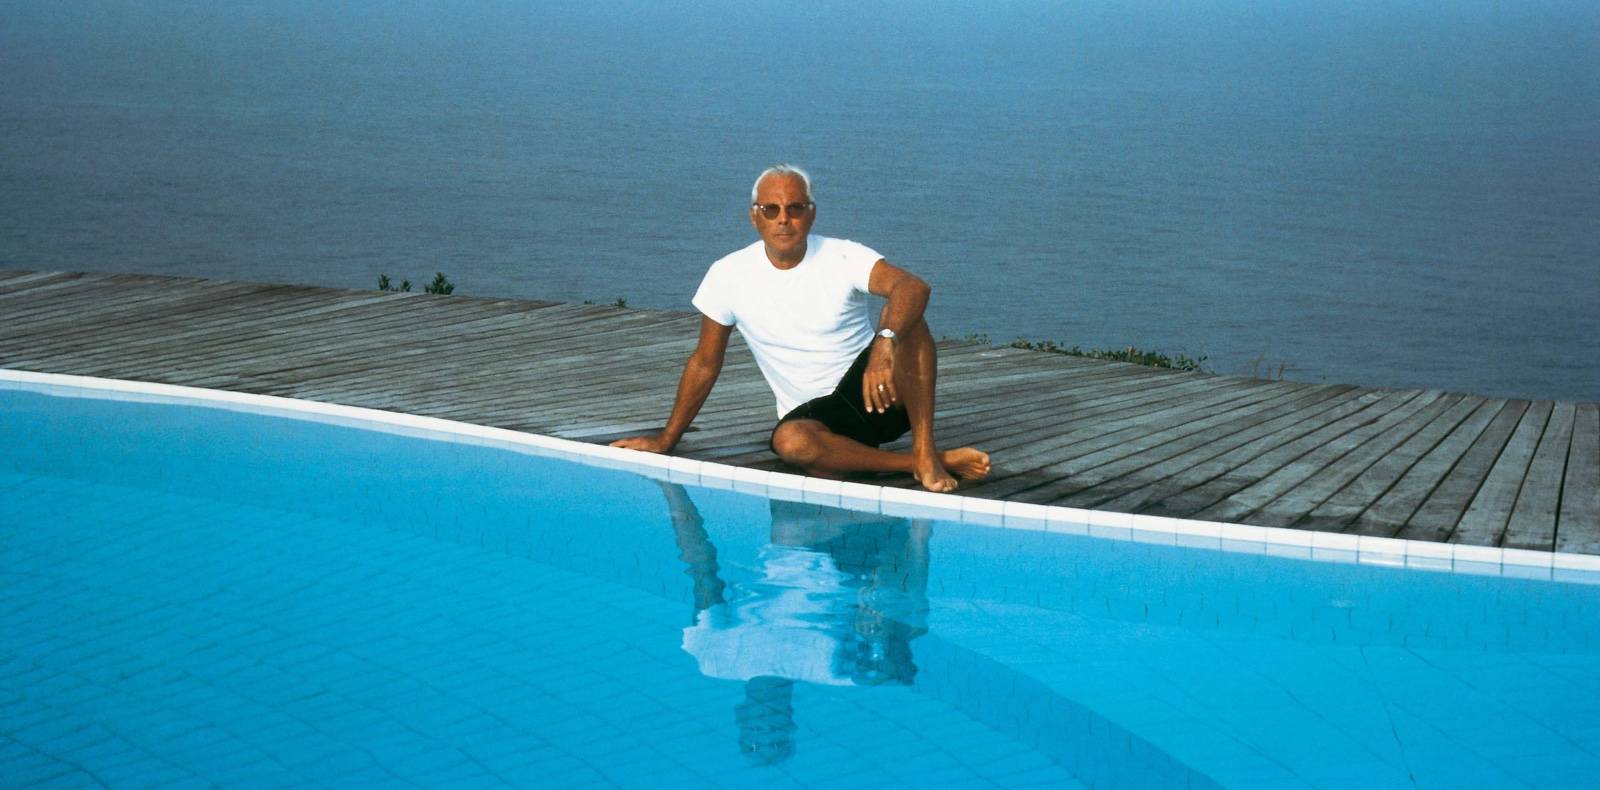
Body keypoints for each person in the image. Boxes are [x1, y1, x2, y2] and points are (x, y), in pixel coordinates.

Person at [612, 165, 990, 492]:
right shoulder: (726, 275)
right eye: (771, 209)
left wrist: (884, 343)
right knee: (793, 444)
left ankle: (924, 449)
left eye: (794, 208)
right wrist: (666, 439)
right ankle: (919, 463)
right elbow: (705, 363)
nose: (783, 219)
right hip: (814, 417)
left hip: (879, 392)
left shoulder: (843, 255)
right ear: (754, 216)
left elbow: (913, 286)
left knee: (910, 319)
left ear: (811, 214)